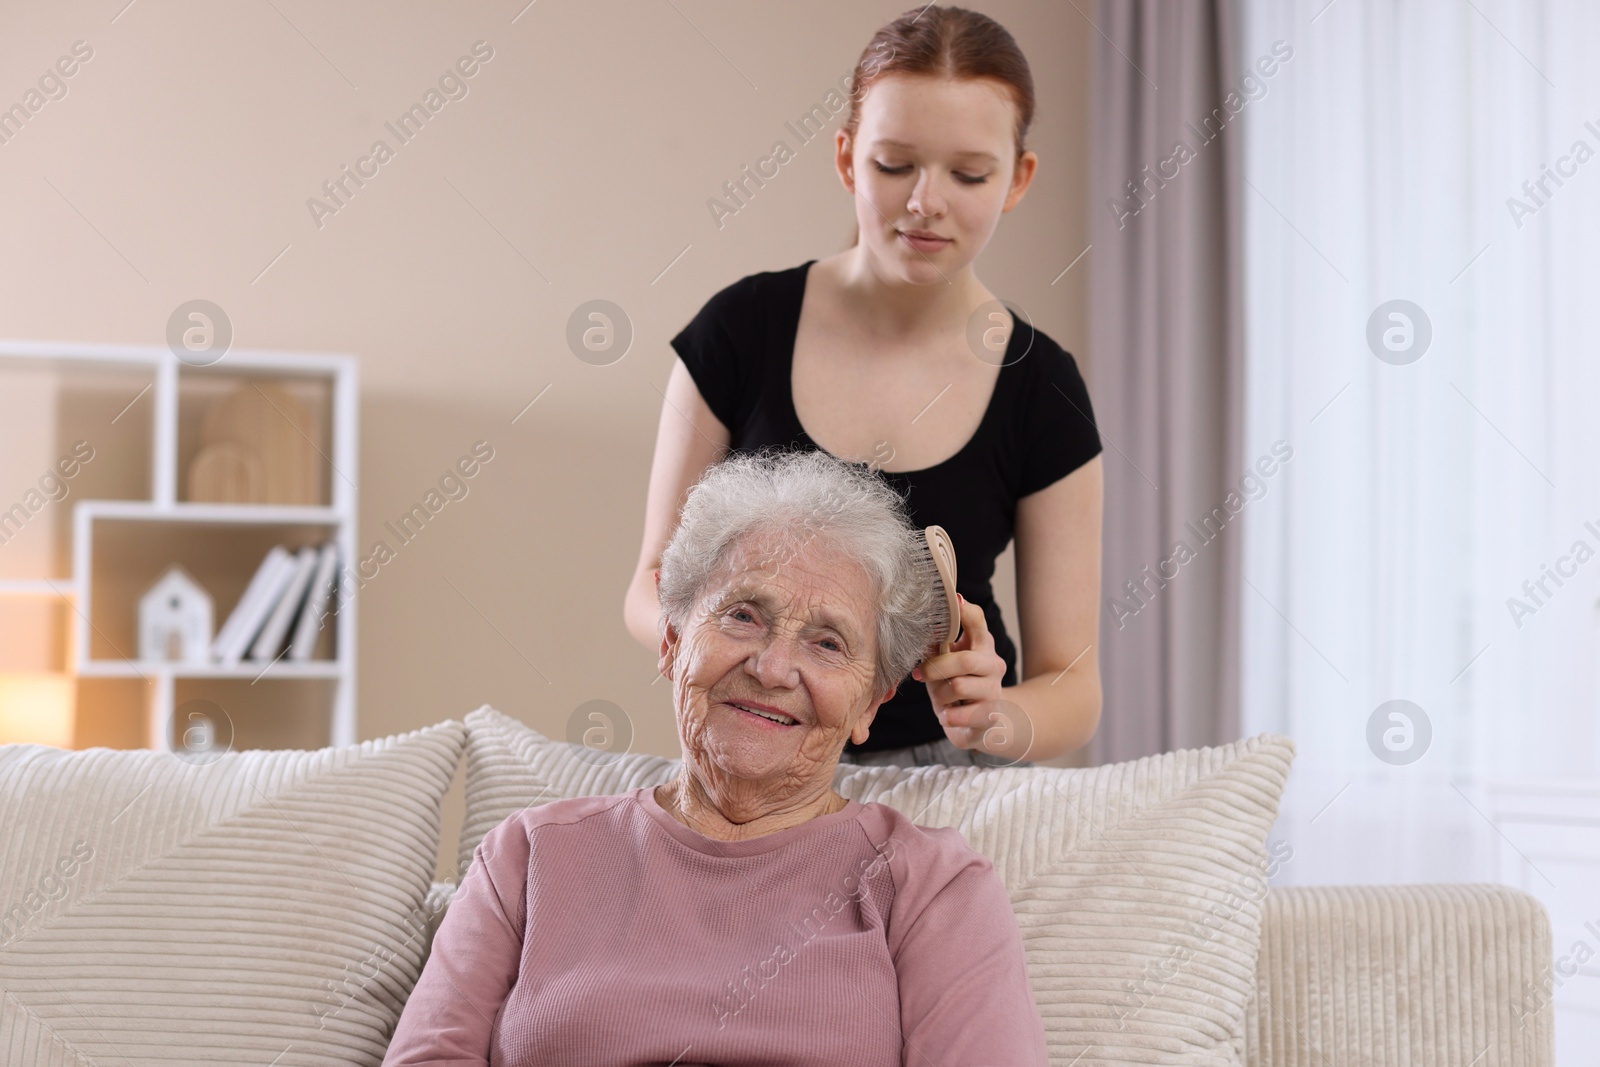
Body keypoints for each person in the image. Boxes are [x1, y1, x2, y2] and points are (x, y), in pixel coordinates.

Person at [384, 450, 1050, 1066]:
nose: (772, 666)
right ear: (672, 641)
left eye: (826, 642)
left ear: (870, 704)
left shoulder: (931, 884)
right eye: (743, 615)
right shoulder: (528, 856)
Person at [624, 5, 1104, 768]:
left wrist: (996, 712)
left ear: (1018, 178)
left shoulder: (1043, 387)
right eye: (894, 165)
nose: (926, 201)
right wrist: (741, 657)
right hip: (756, 747)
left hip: (950, 778)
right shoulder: (738, 331)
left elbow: (1073, 688)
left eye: (969, 173)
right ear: (847, 160)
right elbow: (650, 585)